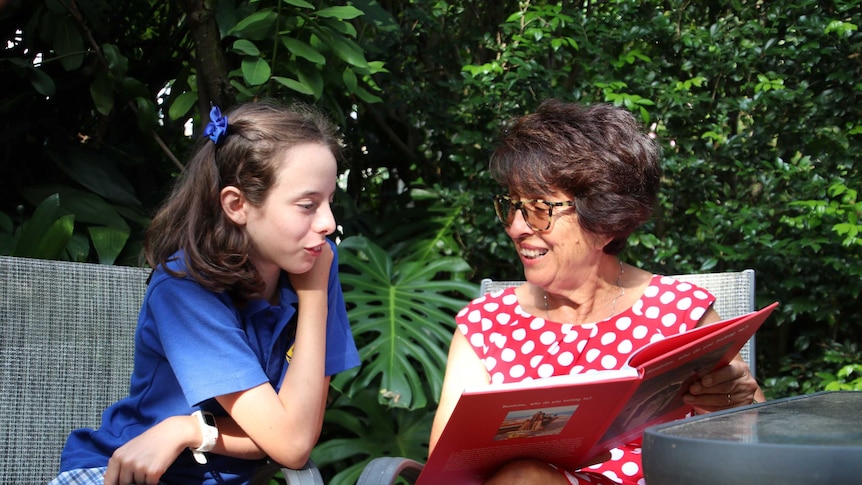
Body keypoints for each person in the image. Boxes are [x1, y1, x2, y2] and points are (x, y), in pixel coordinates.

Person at [429, 99, 765, 485]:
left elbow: (754, 456)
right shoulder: (486, 325)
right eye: (512, 206)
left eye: (539, 208)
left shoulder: (683, 315)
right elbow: (449, 468)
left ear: (605, 220)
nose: (516, 227)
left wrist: (734, 402)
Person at [49, 101, 360, 485]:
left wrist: (189, 430)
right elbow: (286, 440)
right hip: (125, 474)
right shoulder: (185, 287)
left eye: (329, 201)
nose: (328, 223)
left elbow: (295, 436)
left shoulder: (312, 265)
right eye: (307, 205)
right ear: (237, 204)